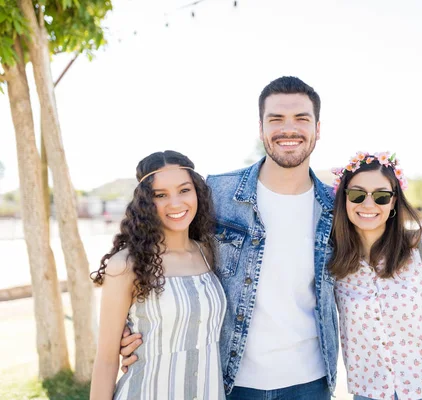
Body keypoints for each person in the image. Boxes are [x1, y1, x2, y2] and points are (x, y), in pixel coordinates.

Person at [119, 77, 338, 399]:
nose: (288, 129)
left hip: (311, 382)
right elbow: (154, 249)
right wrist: (126, 326)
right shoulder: (218, 193)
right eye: (276, 119)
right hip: (227, 380)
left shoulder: (336, 208)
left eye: (301, 119)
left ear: (318, 128)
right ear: (261, 128)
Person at [330, 151, 422, 400]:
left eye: (381, 196)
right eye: (357, 195)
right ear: (344, 199)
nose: (368, 204)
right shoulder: (334, 260)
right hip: (369, 395)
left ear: (393, 201)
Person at [89, 150, 226, 400]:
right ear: (145, 202)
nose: (175, 203)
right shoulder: (127, 265)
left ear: (198, 192)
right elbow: (107, 359)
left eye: (184, 190)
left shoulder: (209, 253)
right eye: (160, 195)